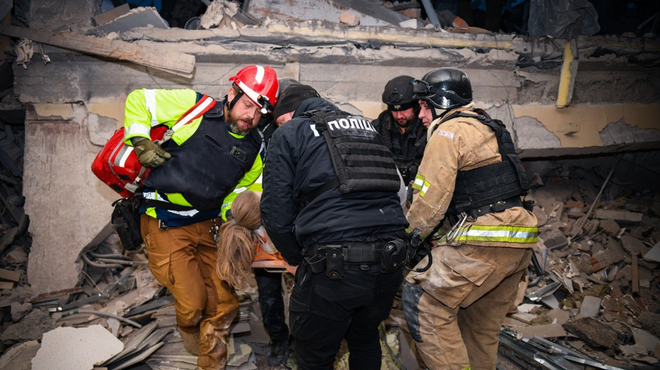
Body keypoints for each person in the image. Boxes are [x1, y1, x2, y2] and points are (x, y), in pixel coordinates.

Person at [123, 65, 279, 370]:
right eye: (247, 105)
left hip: (210, 226)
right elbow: (139, 100)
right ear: (232, 94)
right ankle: (189, 332)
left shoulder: (256, 146)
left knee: (224, 305)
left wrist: (235, 218)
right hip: (164, 219)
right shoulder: (194, 106)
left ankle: (210, 364)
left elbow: (247, 188)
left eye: (260, 112)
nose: (251, 117)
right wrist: (140, 139)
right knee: (193, 304)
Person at [261, 84, 409, 370]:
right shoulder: (367, 128)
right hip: (390, 260)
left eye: (280, 120)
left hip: (334, 268)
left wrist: (295, 259)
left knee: (315, 356)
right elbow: (400, 194)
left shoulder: (290, 132)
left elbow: (275, 214)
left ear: (290, 113)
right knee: (365, 339)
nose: (281, 126)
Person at [402, 67, 538, 370]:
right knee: (477, 327)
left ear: (444, 102)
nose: (420, 114)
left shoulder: (448, 131)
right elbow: (477, 191)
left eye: (425, 104)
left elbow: (430, 199)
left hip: (485, 240)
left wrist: (407, 240)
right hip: (519, 242)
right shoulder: (489, 126)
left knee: (422, 299)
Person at [215, 189, 294, 366]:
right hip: (263, 255)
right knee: (268, 298)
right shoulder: (236, 213)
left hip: (288, 239)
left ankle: (308, 336)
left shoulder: (283, 197)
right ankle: (279, 340)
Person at [372, 75, 427, 187]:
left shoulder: (428, 128)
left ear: (416, 106)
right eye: (394, 111)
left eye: (404, 110)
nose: (399, 115)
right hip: (388, 188)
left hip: (420, 187)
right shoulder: (376, 129)